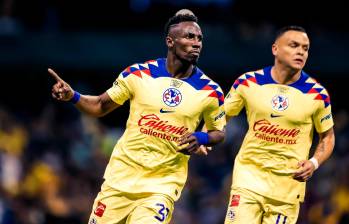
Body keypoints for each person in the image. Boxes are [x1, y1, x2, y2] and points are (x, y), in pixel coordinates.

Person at [48, 9, 226, 224]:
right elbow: (99, 106)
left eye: (199, 38)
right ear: (170, 42)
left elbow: (218, 133)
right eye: (189, 36)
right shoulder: (139, 74)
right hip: (120, 179)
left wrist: (202, 137)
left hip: (161, 186)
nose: (196, 43)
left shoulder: (211, 91)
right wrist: (72, 96)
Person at [223, 26, 335, 224]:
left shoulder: (317, 94)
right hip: (249, 180)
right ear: (275, 49)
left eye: (305, 48)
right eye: (294, 45)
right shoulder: (248, 83)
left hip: (287, 190)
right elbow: (220, 117)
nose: (301, 51)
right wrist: (205, 137)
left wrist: (314, 163)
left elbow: (327, 137)